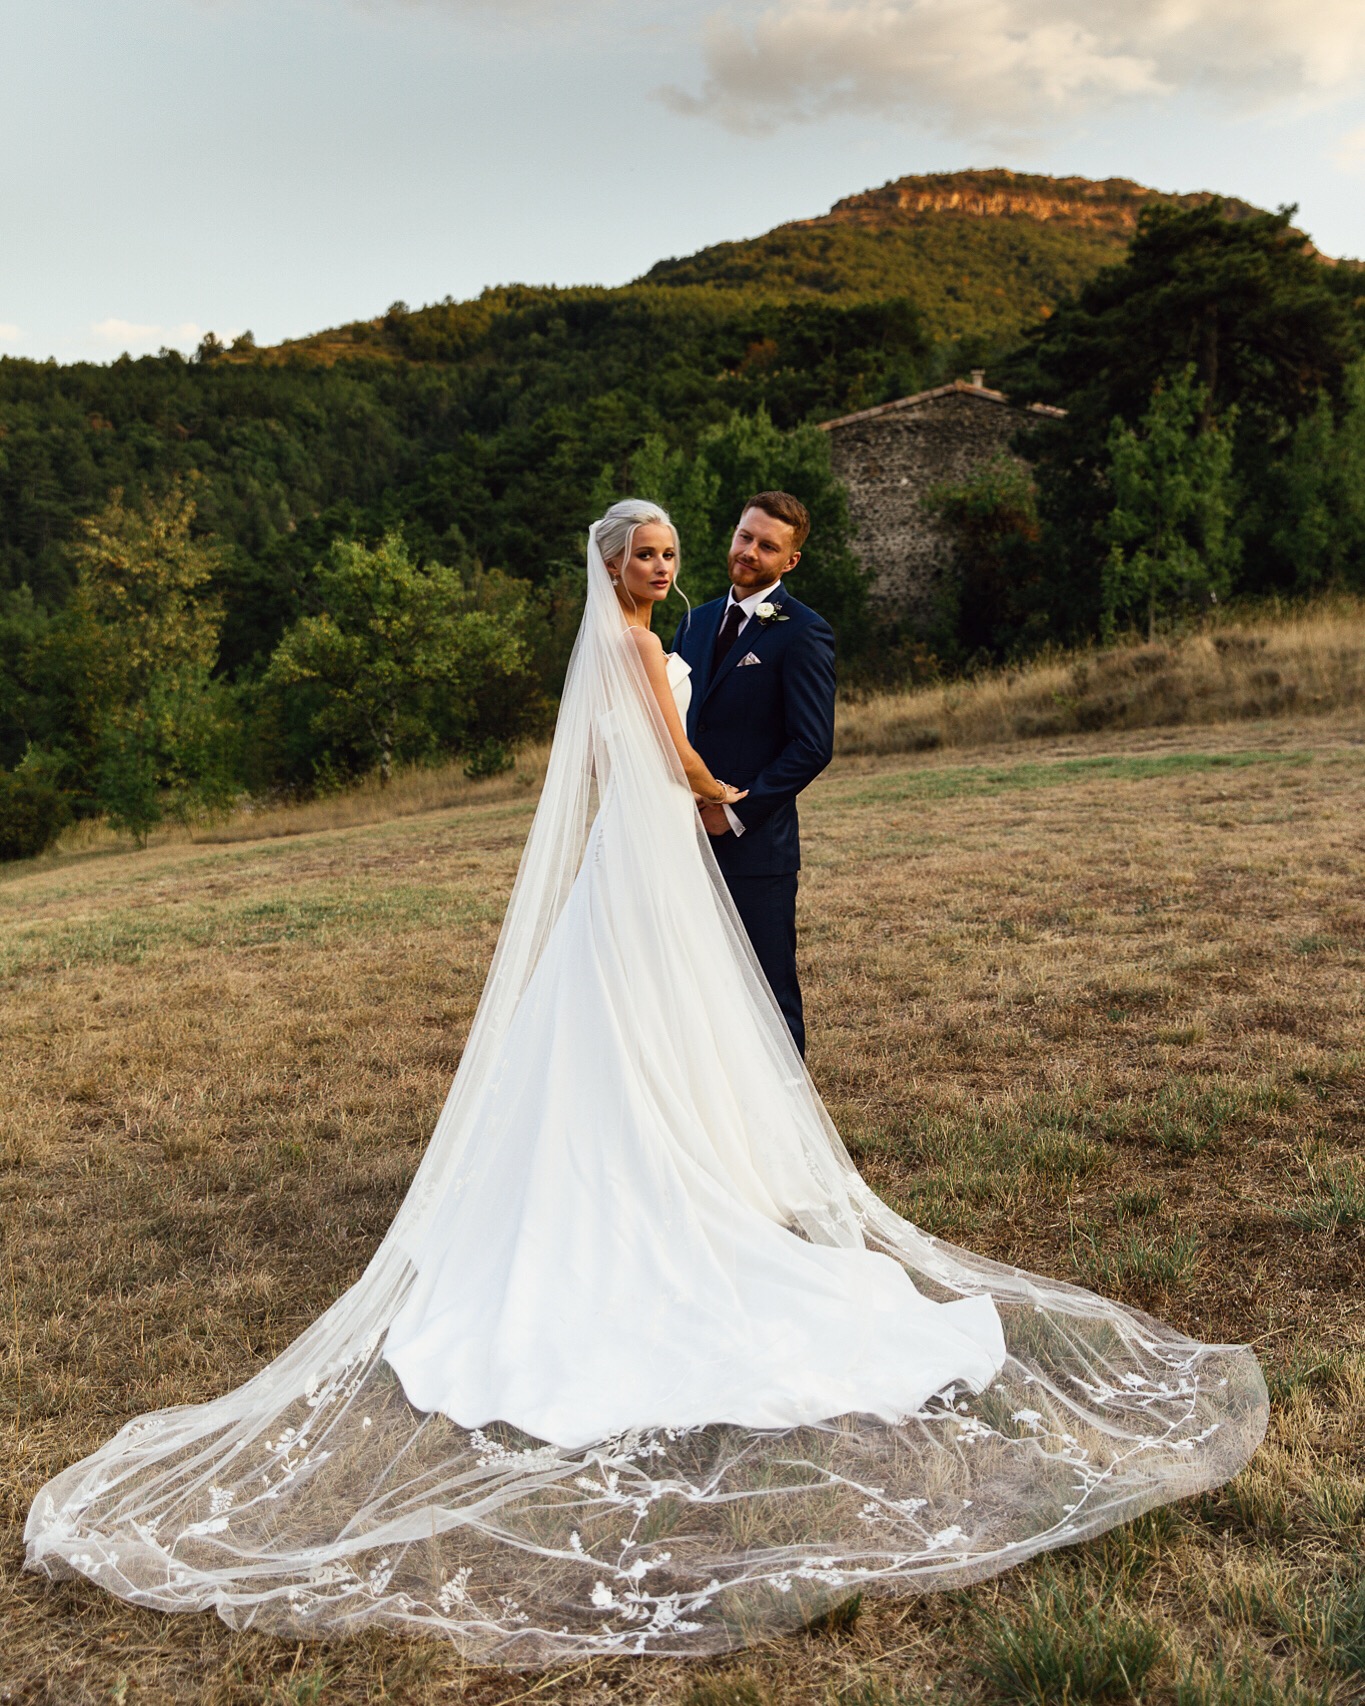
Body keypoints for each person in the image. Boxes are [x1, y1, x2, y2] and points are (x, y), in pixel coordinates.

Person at [25, 499, 1267, 1666]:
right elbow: (669, 748)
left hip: (704, 848)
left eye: (694, 550)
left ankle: (716, 1157)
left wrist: (738, 803)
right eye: (663, 551)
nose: (682, 565)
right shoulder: (645, 639)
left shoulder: (744, 631)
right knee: (639, 1015)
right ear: (619, 562)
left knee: (704, 1015)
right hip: (661, 847)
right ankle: (669, 1175)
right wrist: (705, 791)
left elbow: (798, 742)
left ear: (781, 556)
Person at [671, 492, 833, 1056]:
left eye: (768, 546)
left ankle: (789, 1126)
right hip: (679, 836)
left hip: (755, 846)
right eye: (746, 536)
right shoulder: (693, 622)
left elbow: (812, 745)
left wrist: (732, 812)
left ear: (790, 561)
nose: (750, 551)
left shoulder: (803, 632)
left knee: (767, 993)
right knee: (692, 986)